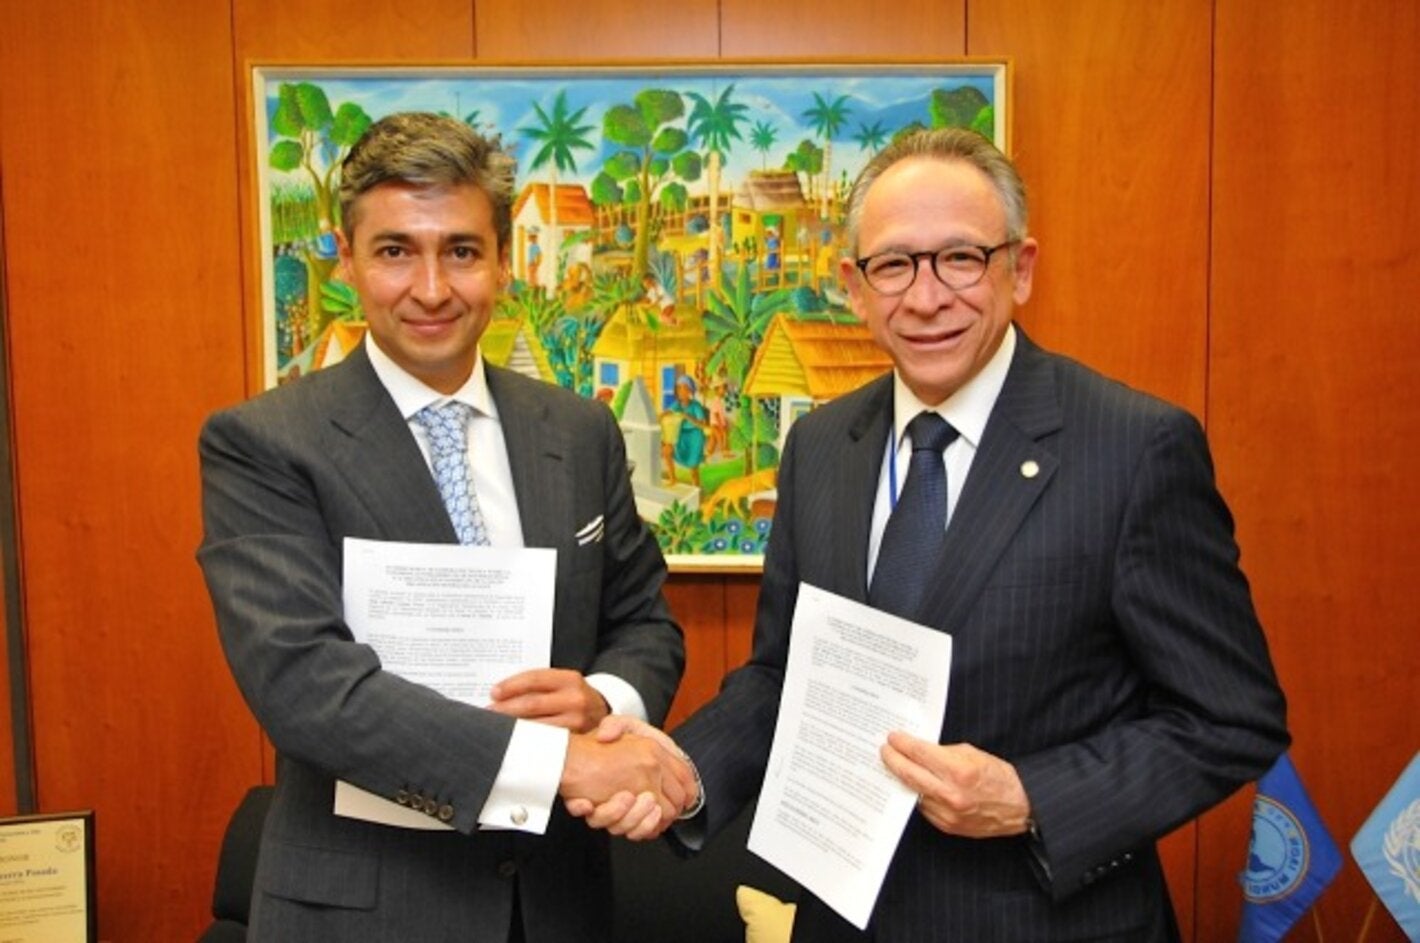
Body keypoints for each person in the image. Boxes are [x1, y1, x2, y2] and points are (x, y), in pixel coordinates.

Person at [574, 128, 1289, 941]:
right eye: (894, 264)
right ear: (855, 286)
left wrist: (1031, 796)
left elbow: (1232, 719)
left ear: (1020, 268)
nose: (925, 297)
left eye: (960, 258)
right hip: (844, 919)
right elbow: (783, 673)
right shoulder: (820, 446)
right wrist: (682, 768)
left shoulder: (1132, 449)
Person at [197, 112, 692, 942]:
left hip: (557, 904)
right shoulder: (265, 442)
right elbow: (305, 684)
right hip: (363, 913)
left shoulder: (578, 430)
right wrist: (565, 762)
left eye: (461, 251)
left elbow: (644, 621)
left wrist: (602, 699)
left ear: (502, 259)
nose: (431, 289)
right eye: (396, 251)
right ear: (347, 257)